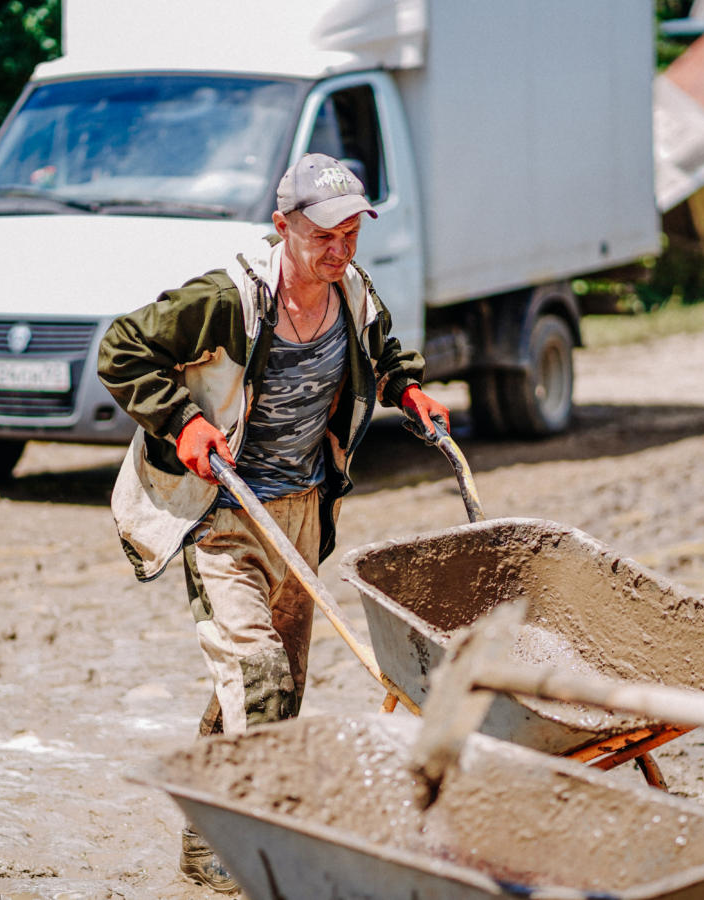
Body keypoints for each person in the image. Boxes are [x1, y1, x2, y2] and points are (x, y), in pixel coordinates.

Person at [97, 152, 450, 893]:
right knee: (255, 673)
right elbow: (121, 348)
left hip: (301, 512)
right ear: (282, 224)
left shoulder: (352, 292)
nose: (340, 248)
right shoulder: (228, 299)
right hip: (227, 511)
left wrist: (409, 391)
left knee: (274, 691)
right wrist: (182, 424)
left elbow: (382, 354)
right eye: (324, 234)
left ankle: (205, 839)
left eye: (352, 232)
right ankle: (258, 862)